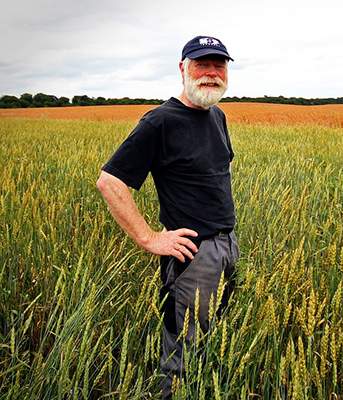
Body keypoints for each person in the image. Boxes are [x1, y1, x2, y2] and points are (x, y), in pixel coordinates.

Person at [96, 35, 239, 398]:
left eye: (218, 65)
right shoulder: (160, 121)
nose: (211, 73)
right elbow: (110, 182)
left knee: (213, 341)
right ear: (182, 69)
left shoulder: (216, 115)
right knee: (183, 354)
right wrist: (149, 238)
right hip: (192, 257)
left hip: (227, 247)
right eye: (201, 65)